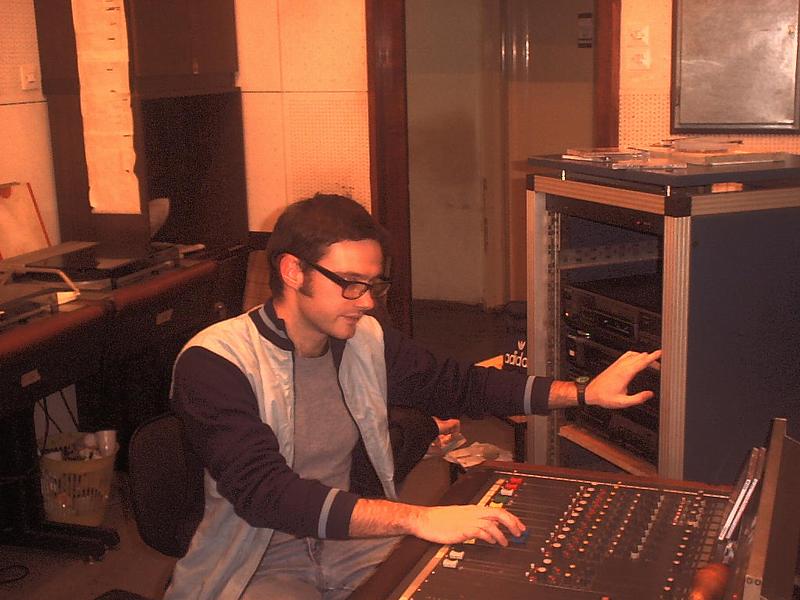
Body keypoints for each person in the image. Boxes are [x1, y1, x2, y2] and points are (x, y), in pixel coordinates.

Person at [164, 194, 661, 600]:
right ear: (293, 271)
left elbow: (459, 385)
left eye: (373, 285)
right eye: (351, 285)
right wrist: (421, 517)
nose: (367, 302)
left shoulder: (364, 338)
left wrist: (583, 393)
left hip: (350, 543)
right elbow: (266, 495)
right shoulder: (216, 362)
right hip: (258, 560)